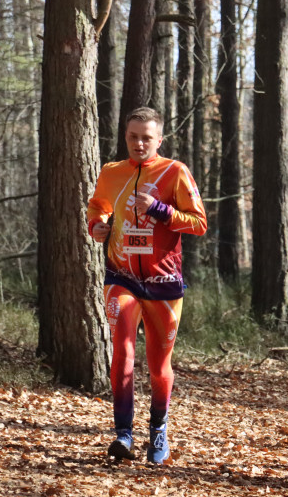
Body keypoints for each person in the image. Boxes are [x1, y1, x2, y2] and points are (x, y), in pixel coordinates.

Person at [87, 107, 208, 464]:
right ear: (125, 137)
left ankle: (158, 432)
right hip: (121, 276)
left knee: (158, 366)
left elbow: (198, 223)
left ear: (159, 140)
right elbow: (98, 208)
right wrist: (97, 226)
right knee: (122, 353)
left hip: (164, 284)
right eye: (133, 136)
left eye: (146, 137)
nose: (139, 143)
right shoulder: (111, 172)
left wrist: (159, 209)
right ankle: (123, 435)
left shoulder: (175, 172)